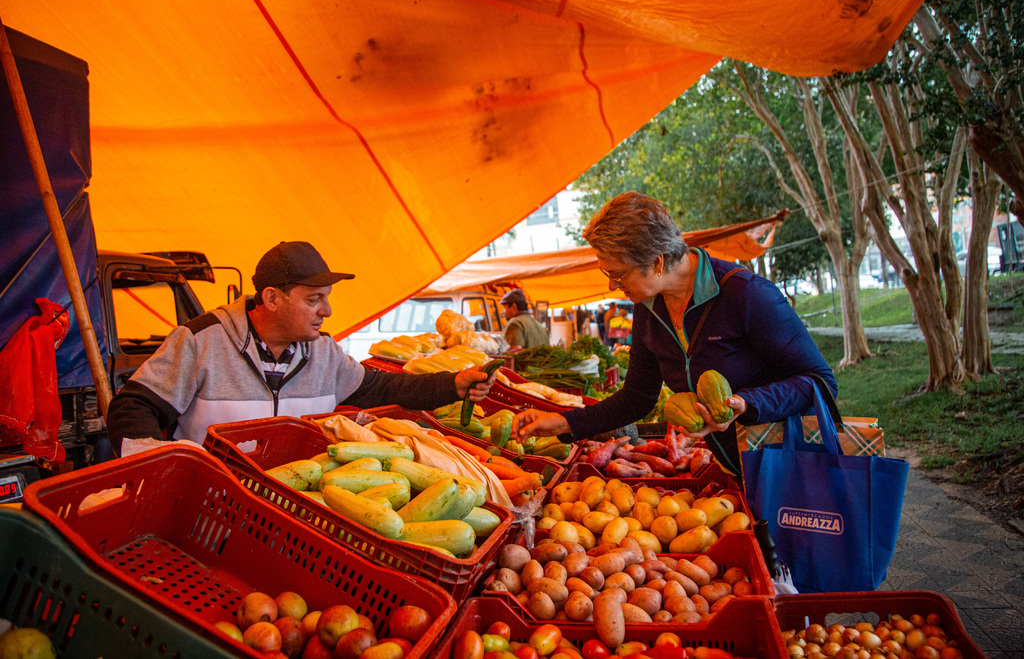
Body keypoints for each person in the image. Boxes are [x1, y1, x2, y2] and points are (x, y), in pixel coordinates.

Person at [511, 192, 836, 477]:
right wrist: (564, 422)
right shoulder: (648, 310)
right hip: (734, 467)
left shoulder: (745, 294)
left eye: (618, 274)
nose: (612, 285)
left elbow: (820, 381)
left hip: (788, 466)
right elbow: (637, 398)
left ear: (656, 262)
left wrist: (746, 403)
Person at [106, 241, 496, 453]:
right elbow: (131, 407)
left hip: (291, 506)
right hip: (210, 505)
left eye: (326, 298)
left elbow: (382, 387)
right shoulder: (202, 341)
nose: (327, 311)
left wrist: (452, 384)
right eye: (314, 300)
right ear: (272, 298)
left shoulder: (323, 353)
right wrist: (165, 465)